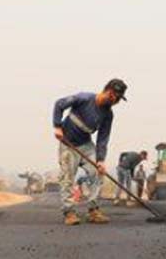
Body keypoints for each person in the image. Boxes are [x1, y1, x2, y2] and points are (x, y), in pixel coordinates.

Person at [52, 78, 127, 225]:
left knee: (97, 172)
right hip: (68, 144)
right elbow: (59, 104)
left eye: (118, 99)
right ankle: (69, 212)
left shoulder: (108, 115)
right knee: (67, 178)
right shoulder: (84, 98)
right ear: (109, 92)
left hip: (87, 146)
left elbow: (103, 138)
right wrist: (57, 126)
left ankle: (93, 211)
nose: (116, 101)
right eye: (116, 97)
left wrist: (100, 160)